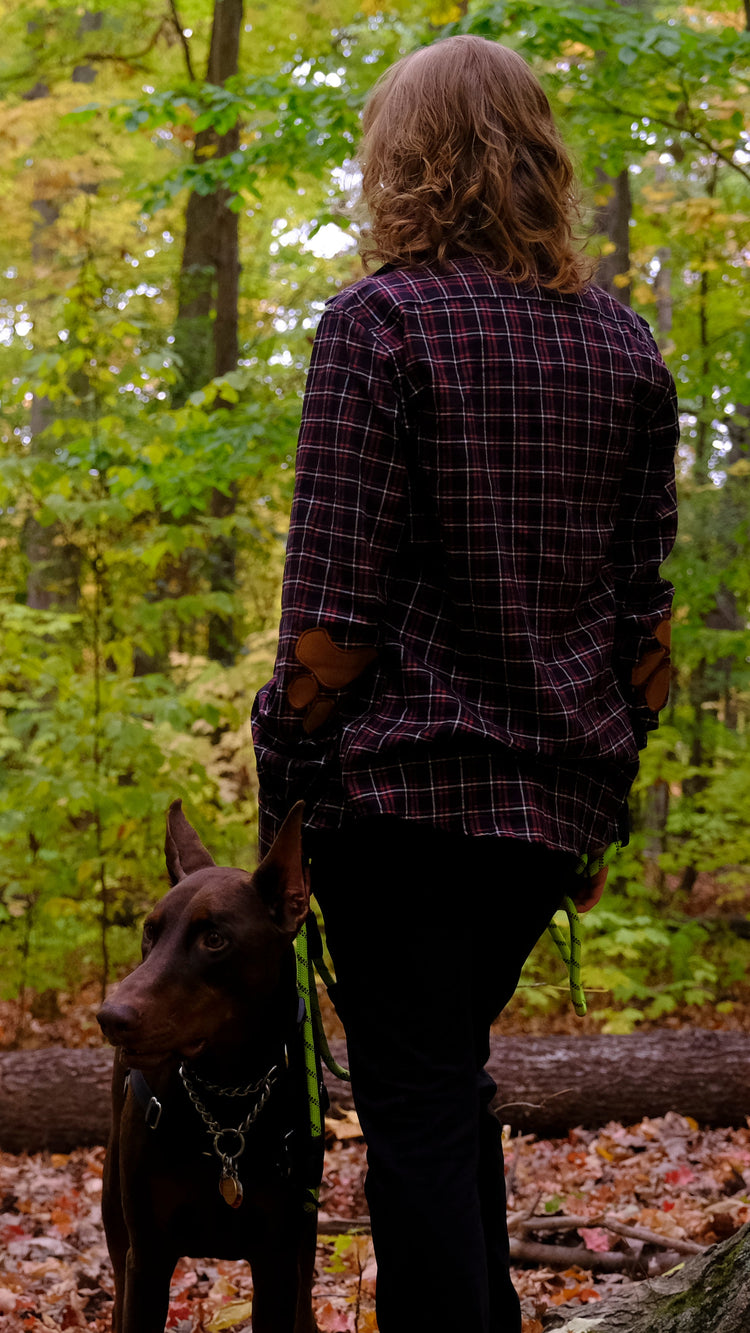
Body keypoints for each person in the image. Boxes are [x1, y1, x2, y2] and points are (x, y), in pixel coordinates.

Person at [252, 33, 678, 1333]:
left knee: (422, 1099)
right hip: (548, 806)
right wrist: (605, 796)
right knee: (443, 1084)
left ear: (405, 160)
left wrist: (283, 789)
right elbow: (643, 628)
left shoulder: (377, 324)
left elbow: (332, 623)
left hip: (404, 799)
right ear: (536, 159)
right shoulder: (624, 346)